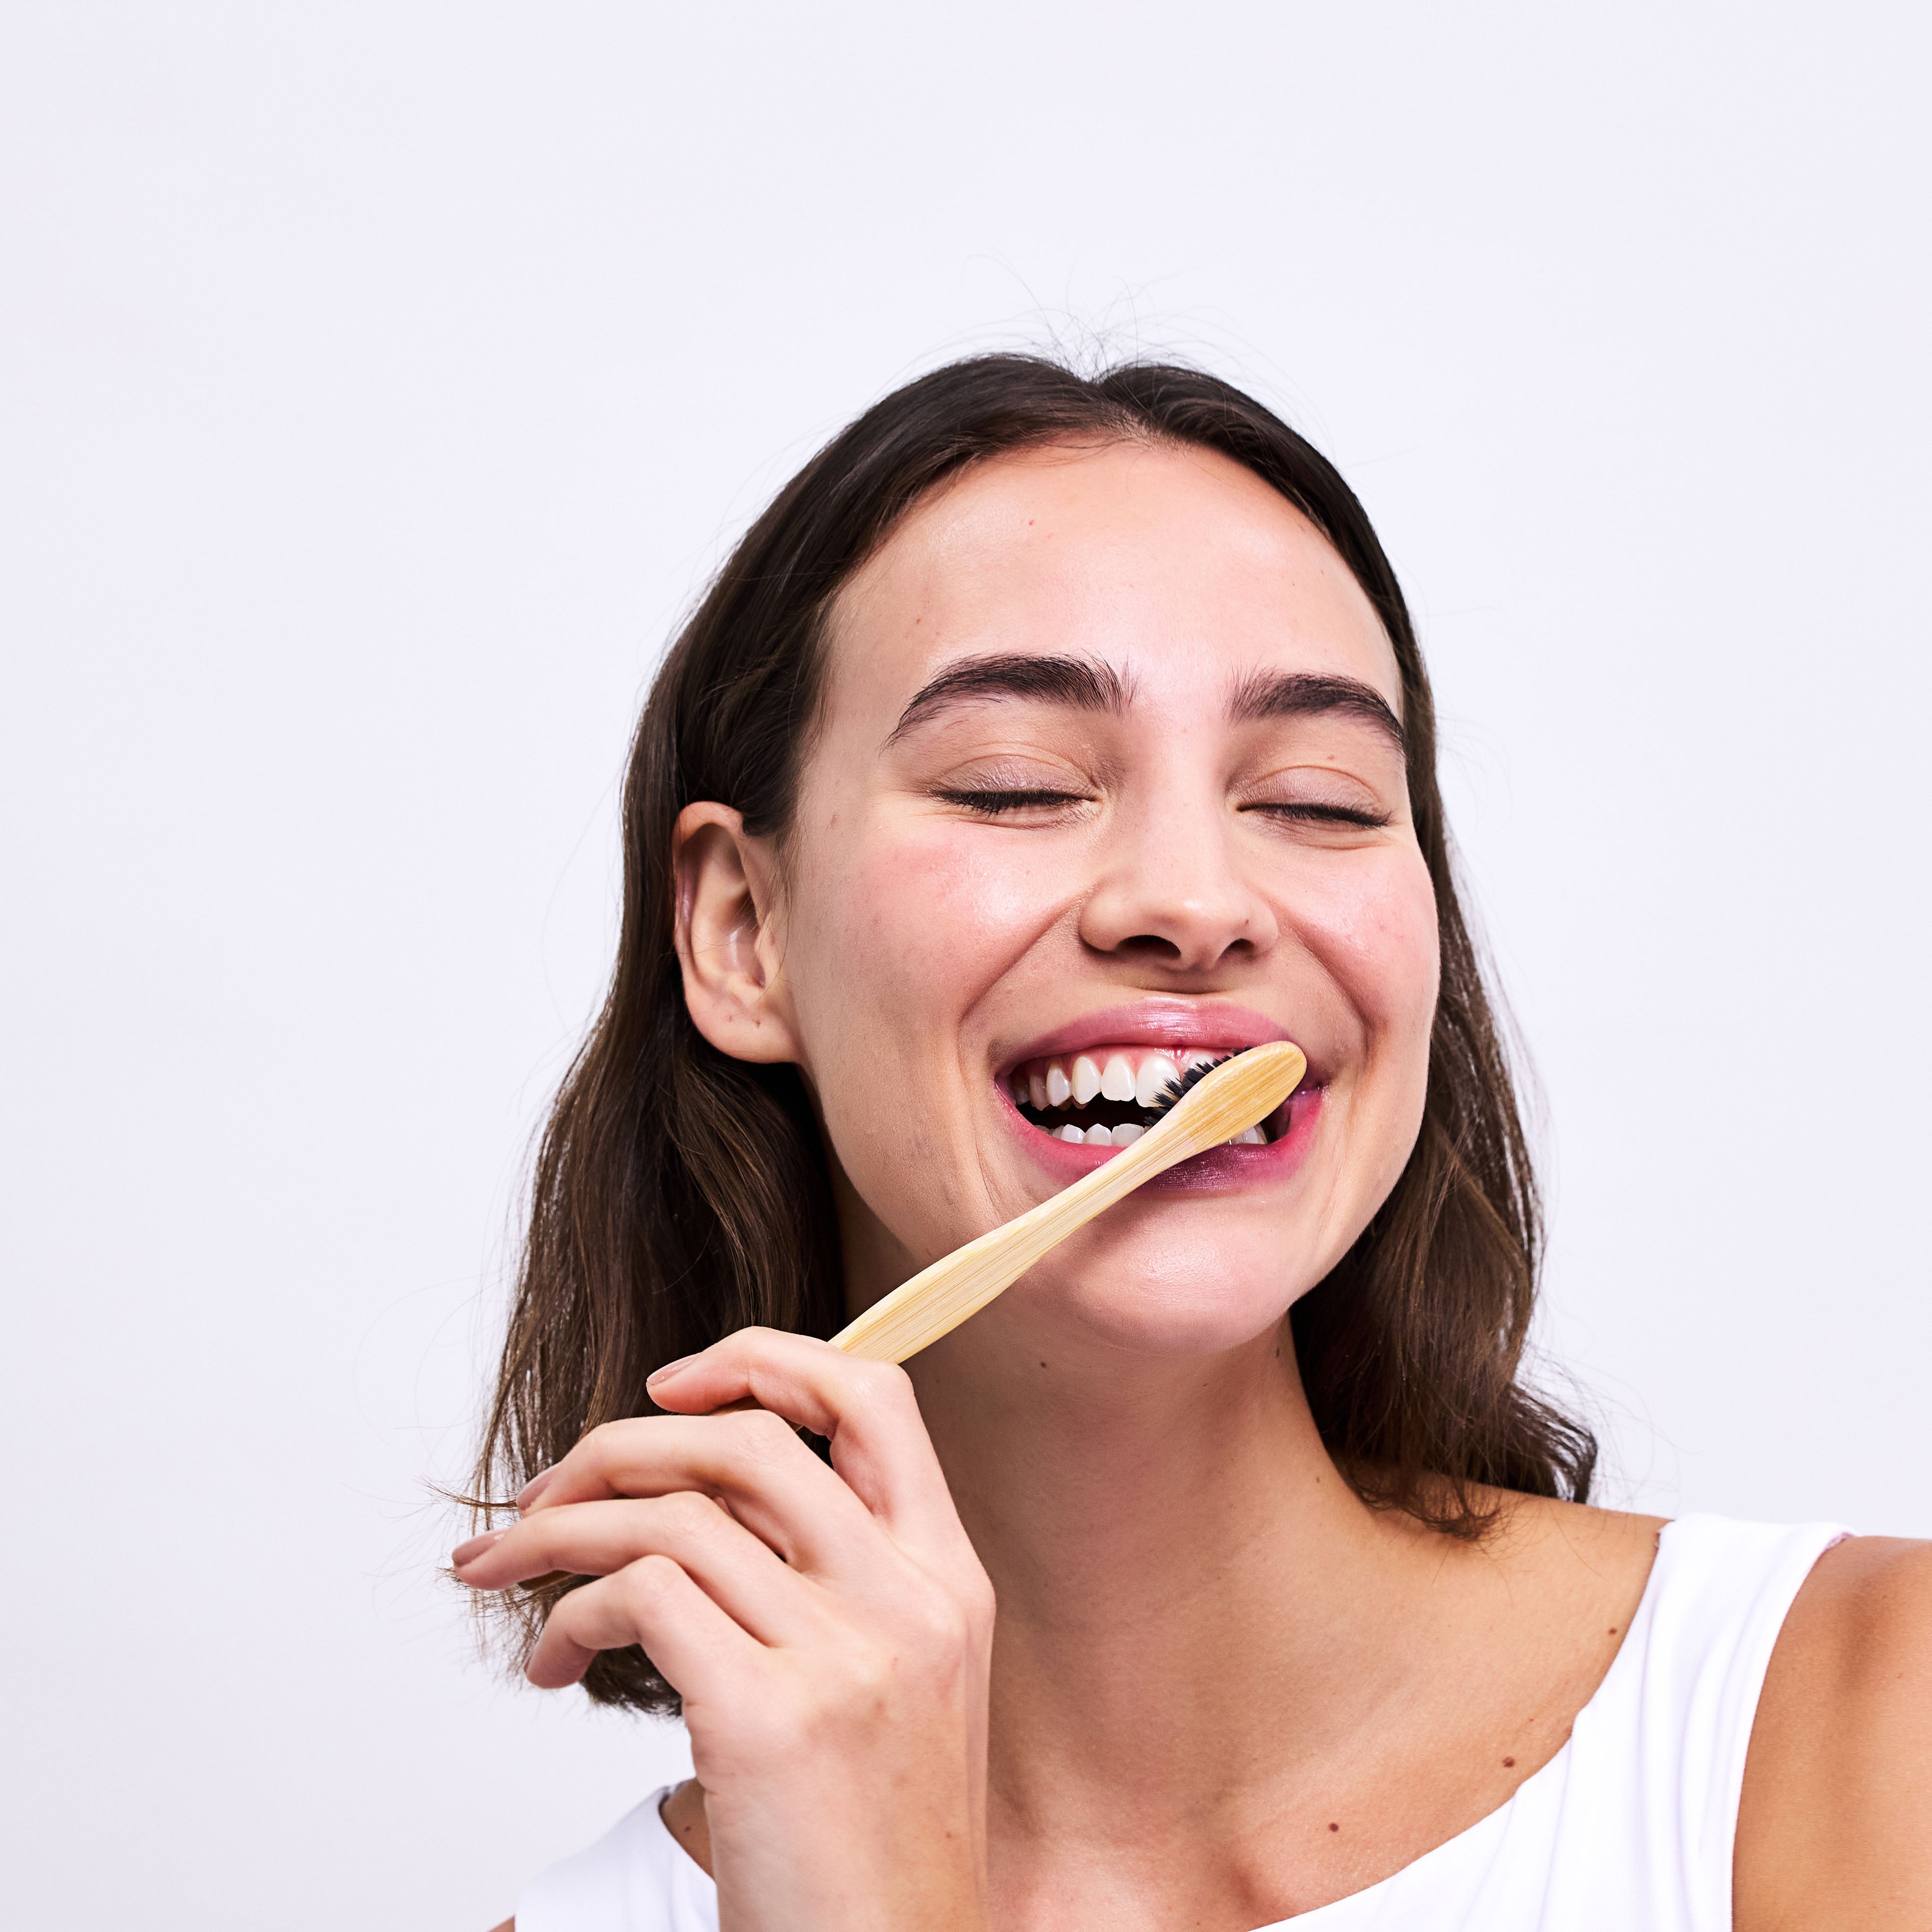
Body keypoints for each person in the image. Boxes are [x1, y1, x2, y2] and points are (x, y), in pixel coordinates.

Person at [455, 356, 1931, 1931]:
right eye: (1015, 787)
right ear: (743, 930)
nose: (1195, 900)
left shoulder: (1865, 1722)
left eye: (1318, 800)